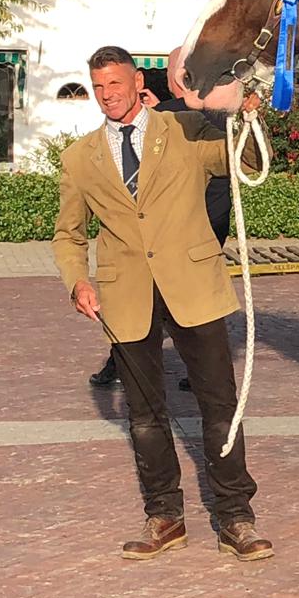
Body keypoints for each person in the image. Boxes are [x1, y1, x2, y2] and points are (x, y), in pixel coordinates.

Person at [53, 45, 273, 562]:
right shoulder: (79, 158)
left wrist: (246, 118)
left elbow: (244, 164)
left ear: (135, 83)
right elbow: (68, 235)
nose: (107, 95)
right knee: (146, 416)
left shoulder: (184, 132)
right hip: (125, 295)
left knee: (218, 407)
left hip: (193, 288)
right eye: (99, 86)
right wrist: (76, 282)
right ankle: (165, 517)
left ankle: (236, 518)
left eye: (115, 84)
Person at [89, 47, 231, 389]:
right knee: (194, 298)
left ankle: (123, 363)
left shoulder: (169, 117)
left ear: (177, 76)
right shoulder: (222, 113)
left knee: (143, 297)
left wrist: (150, 111)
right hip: (216, 217)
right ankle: (200, 372)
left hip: (174, 226)